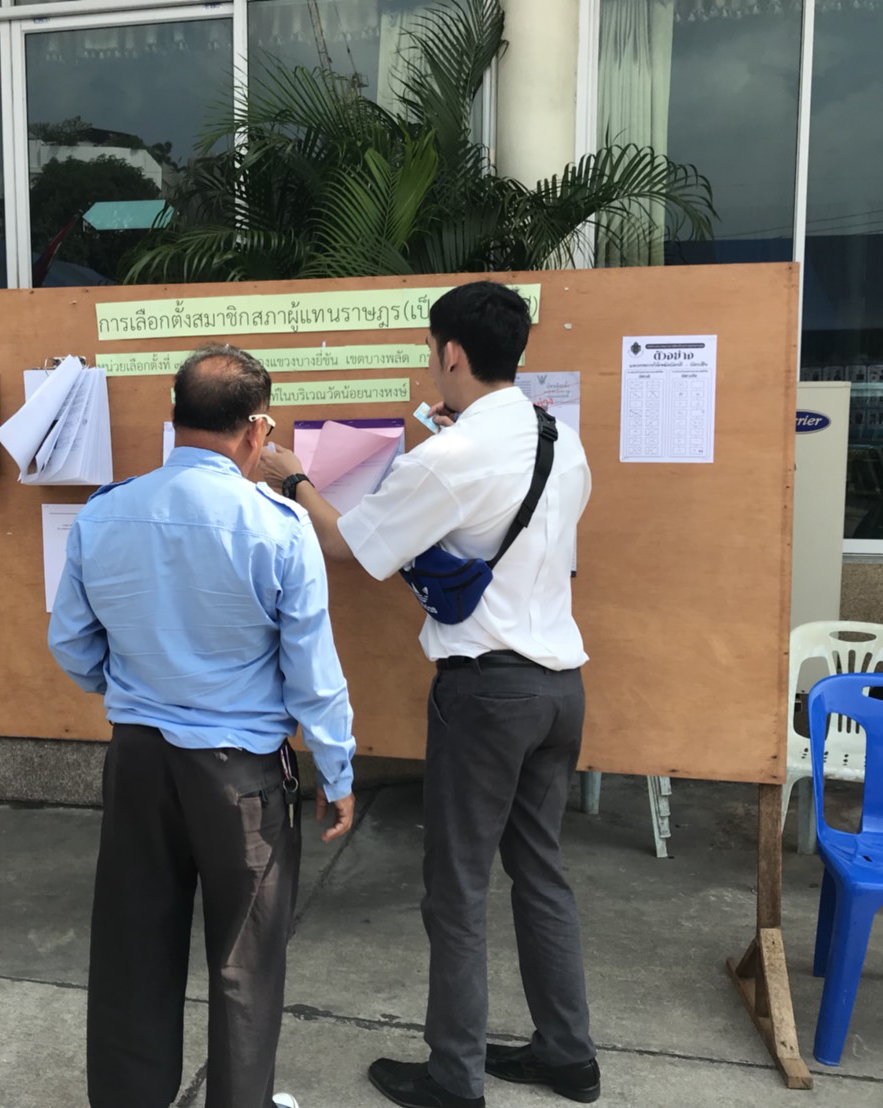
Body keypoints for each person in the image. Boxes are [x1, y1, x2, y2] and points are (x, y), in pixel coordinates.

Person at [261, 282, 598, 1108]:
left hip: (487, 695)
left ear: (451, 353)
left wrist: (295, 477)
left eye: (429, 351)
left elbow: (347, 547)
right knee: (541, 873)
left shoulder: (444, 458)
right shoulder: (561, 437)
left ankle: (455, 1078)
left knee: (456, 888)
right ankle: (567, 1054)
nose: (429, 363)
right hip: (560, 688)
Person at [49, 343, 356, 1108]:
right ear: (258, 432)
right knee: (245, 959)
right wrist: (339, 771)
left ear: (173, 421)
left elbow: (71, 644)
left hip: (139, 762)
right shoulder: (280, 527)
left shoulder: (104, 513)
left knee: (131, 946)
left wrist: (129, 688)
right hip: (240, 776)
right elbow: (313, 675)